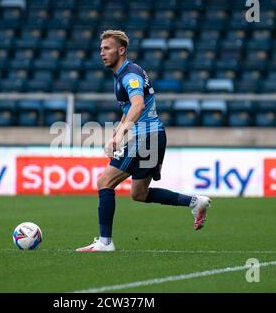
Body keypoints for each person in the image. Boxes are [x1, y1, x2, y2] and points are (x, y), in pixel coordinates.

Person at [76, 30, 212, 252]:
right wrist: (118, 131)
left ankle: (105, 242)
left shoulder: (129, 75)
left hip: (146, 137)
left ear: (121, 50)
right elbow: (130, 107)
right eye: (101, 48)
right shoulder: (124, 73)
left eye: (107, 48)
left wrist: (121, 135)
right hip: (154, 137)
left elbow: (138, 105)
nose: (102, 53)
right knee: (138, 194)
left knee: (104, 182)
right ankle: (195, 202)